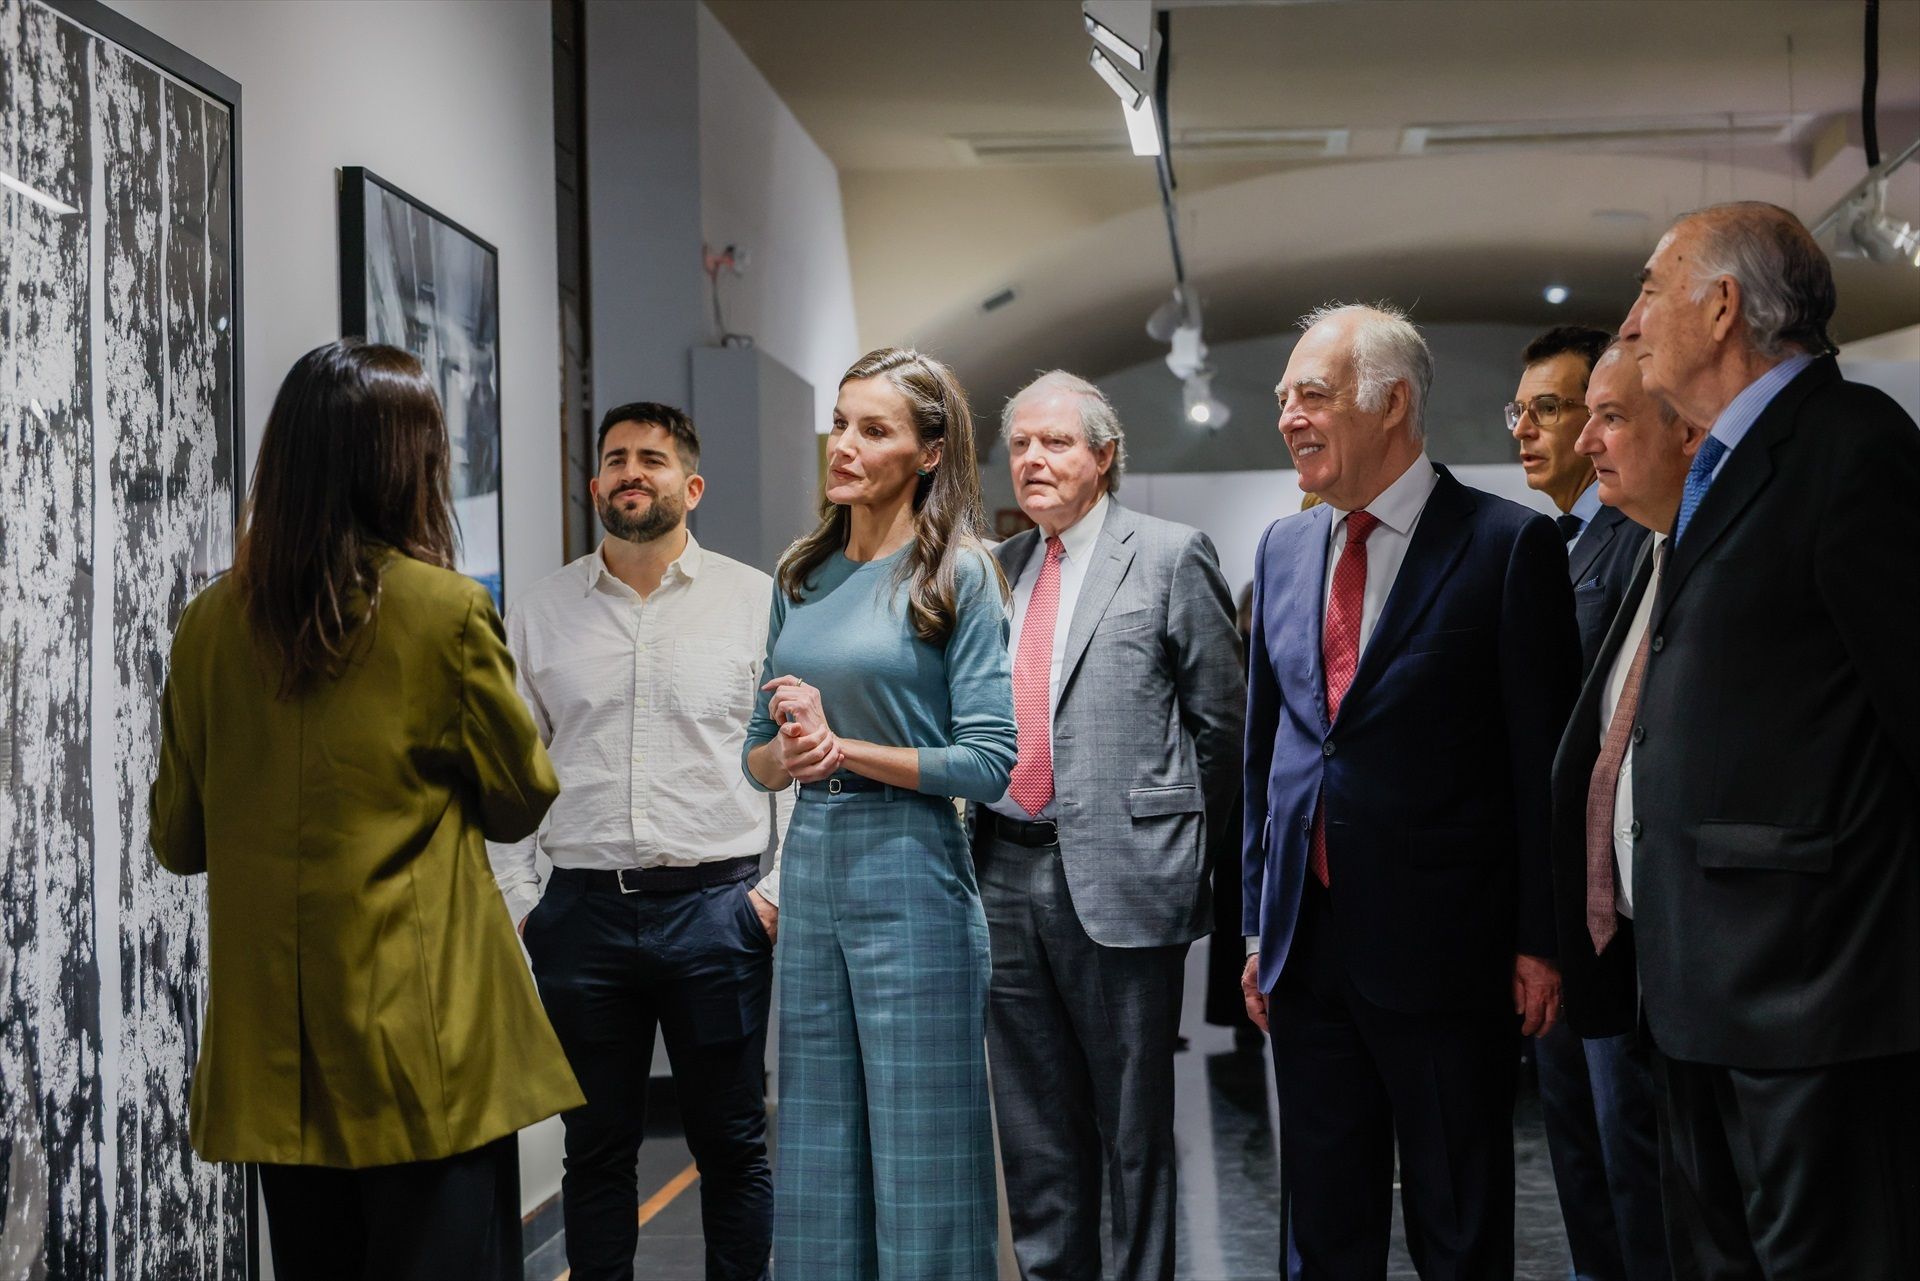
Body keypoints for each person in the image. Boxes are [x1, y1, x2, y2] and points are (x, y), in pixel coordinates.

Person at [148, 340, 583, 1281]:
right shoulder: (446, 611)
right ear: (404, 464)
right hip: (423, 1050)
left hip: (278, 1062)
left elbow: (178, 839)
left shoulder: (210, 623)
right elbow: (518, 803)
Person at [1241, 303, 1579, 1279]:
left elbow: (1539, 763)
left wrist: (1539, 940)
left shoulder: (1507, 546)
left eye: (1312, 395)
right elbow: (1268, 760)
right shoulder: (1284, 550)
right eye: (1283, 400)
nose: (1290, 418)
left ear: (1390, 404)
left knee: (1458, 1225)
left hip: (1450, 952)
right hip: (1306, 954)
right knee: (1323, 1231)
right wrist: (1259, 933)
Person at [1616, 202, 1920, 1279]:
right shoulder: (1721, 466)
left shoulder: (1854, 448)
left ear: (1724, 306)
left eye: (1654, 289)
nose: (1635, 319)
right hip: (1703, 990)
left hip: (1813, 993)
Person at [490, 402, 788, 1281]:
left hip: (720, 911)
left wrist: (776, 894)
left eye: (652, 458)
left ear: (690, 486)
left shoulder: (758, 602)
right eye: (616, 458)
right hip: (581, 918)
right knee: (596, 1149)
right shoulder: (541, 612)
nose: (632, 471)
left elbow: (804, 763)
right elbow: (509, 771)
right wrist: (523, 902)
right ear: (594, 487)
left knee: (733, 1144)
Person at [742, 347, 1016, 1281]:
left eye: (874, 429)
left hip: (916, 867)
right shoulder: (801, 573)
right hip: (815, 860)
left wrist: (840, 748)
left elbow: (987, 764)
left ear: (930, 451)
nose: (845, 446)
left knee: (923, 1160)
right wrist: (791, 754)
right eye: (841, 423)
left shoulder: (961, 574)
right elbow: (758, 753)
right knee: (817, 1151)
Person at [974, 372, 1243, 1281]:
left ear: (1103, 453)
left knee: (1132, 1134)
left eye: (1055, 442)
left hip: (1125, 882)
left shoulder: (1169, 554)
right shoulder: (998, 570)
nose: (1034, 460)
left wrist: (1177, 855)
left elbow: (1223, 729)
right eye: (1020, 445)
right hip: (1003, 876)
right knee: (1035, 1136)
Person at [1509, 328, 1669, 1281]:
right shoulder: (1559, 542)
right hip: (1565, 902)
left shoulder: (1631, 541)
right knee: (1580, 1141)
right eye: (1519, 411)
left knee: (1623, 1148)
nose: (1529, 429)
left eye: (1554, 409)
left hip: (1612, 905)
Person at [1551, 340, 1705, 1047]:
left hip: (1721, 955)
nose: (1586, 442)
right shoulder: (1650, 552)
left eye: (1608, 417)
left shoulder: (1700, 561)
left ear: (1687, 432)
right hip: (1632, 944)